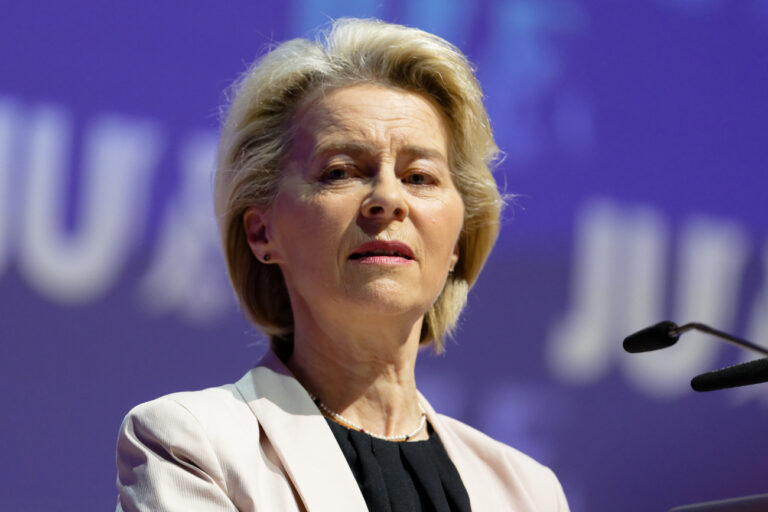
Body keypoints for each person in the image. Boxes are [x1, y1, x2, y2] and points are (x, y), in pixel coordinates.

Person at [115, 18, 569, 511]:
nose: (388, 199)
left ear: (458, 238)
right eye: (340, 172)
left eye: (420, 177)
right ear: (261, 232)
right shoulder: (195, 444)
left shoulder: (527, 492)